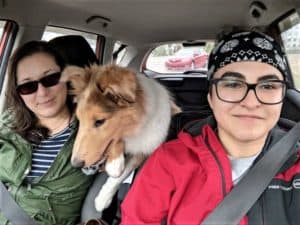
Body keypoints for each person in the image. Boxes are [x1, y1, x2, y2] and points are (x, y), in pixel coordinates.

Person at [120, 30, 299, 225]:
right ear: (211, 98)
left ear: (282, 95)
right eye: (232, 84)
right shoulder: (167, 162)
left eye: (268, 86)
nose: (250, 102)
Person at [0, 40, 95, 225]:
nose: (42, 93)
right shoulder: (9, 121)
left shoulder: (94, 130)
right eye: (28, 86)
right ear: (18, 93)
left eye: (51, 79)